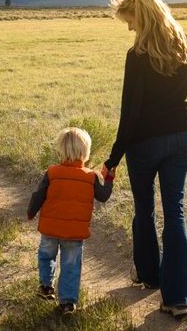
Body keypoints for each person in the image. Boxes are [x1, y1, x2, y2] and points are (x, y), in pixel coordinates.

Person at [103, 0, 187, 319]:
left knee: (144, 209)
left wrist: (113, 158)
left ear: (141, 17)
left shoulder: (137, 56)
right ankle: (178, 298)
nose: (129, 29)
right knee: (174, 212)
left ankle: (148, 276)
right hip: (180, 140)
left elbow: (129, 114)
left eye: (129, 21)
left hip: (144, 145)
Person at [27, 127, 115, 315]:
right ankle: (67, 302)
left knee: (46, 255)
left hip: (50, 229)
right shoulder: (90, 176)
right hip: (74, 233)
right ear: (85, 152)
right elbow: (104, 196)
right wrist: (109, 178)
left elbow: (38, 195)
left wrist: (31, 212)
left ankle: (46, 286)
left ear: (60, 150)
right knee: (71, 265)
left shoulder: (52, 172)